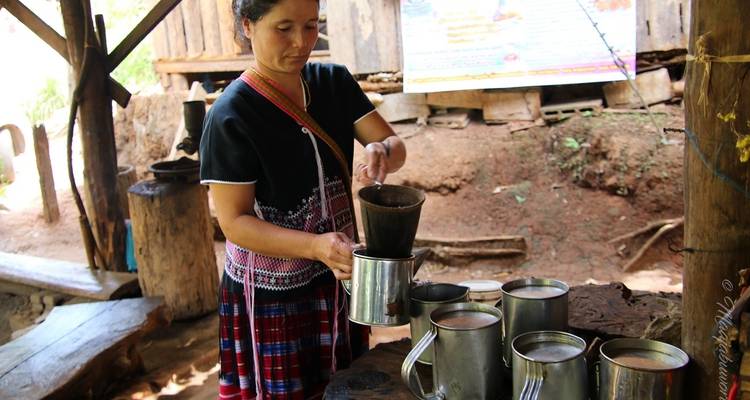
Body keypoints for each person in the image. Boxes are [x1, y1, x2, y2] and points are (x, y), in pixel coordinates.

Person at [199, 0, 406, 398]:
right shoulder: (231, 116)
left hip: (336, 278)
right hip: (273, 297)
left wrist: (383, 151)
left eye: (311, 26)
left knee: (345, 388)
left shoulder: (333, 84)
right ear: (248, 24)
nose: (301, 42)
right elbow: (234, 223)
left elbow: (394, 144)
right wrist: (314, 246)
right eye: (284, 28)